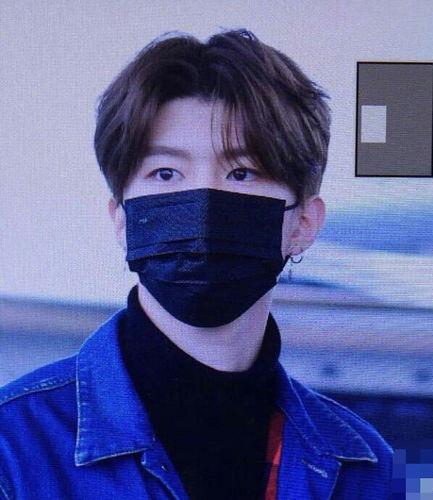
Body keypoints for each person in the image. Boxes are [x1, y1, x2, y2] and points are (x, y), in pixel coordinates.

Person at [0, 29, 393, 499]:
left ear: (303, 223)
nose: (203, 205)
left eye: (242, 173)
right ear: (122, 217)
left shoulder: (362, 470)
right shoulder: (13, 451)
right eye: (166, 173)